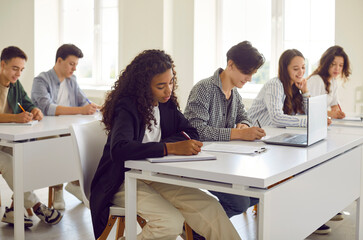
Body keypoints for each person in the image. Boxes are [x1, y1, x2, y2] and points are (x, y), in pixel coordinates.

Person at [90, 49, 241, 240]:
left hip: (154, 175)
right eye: (161, 86)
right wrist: (168, 148)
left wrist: (164, 145)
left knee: (210, 207)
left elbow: (190, 132)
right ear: (143, 87)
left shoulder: (165, 103)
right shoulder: (127, 107)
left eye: (171, 82)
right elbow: (120, 148)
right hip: (122, 180)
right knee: (169, 222)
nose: (169, 90)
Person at [248, 49, 331, 234]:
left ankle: (309, 215)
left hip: (276, 139)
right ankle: (295, 217)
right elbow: (278, 118)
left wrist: (306, 92)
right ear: (284, 69)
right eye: (295, 68)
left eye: (303, 67)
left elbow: (306, 115)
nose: (300, 72)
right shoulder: (275, 84)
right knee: (300, 167)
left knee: (311, 164)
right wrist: (310, 122)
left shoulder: (295, 87)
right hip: (258, 140)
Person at [184, 41, 265, 221]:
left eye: (253, 73)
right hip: (201, 162)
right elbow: (196, 131)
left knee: (257, 193)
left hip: (224, 162)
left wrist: (243, 124)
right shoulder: (204, 89)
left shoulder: (235, 93)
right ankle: (194, 228)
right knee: (239, 203)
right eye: (247, 72)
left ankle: (198, 228)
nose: (250, 78)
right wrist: (239, 134)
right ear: (230, 65)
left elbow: (244, 116)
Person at [0, 46, 62, 227]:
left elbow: (28, 104)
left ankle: (13, 210)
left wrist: (35, 110)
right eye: (14, 68)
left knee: (27, 157)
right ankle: (37, 205)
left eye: (21, 70)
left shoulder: (15, 85)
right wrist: (15, 118)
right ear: (3, 64)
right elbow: (15, 117)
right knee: (10, 162)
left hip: (5, 140)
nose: (18, 73)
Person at [31, 44, 99, 210]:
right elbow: (48, 108)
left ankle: (77, 183)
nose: (74, 68)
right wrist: (81, 110)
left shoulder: (72, 80)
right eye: (71, 64)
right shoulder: (41, 80)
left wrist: (96, 107)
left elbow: (84, 102)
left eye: (76, 65)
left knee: (88, 139)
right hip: (44, 133)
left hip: (67, 129)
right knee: (59, 143)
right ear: (59, 61)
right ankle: (59, 189)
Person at [307, 45, 351, 119]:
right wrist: (330, 114)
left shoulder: (333, 81)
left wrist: (338, 113)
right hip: (308, 122)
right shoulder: (316, 80)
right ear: (326, 63)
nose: (337, 68)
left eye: (340, 65)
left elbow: (334, 104)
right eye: (333, 64)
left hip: (319, 121)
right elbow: (310, 109)